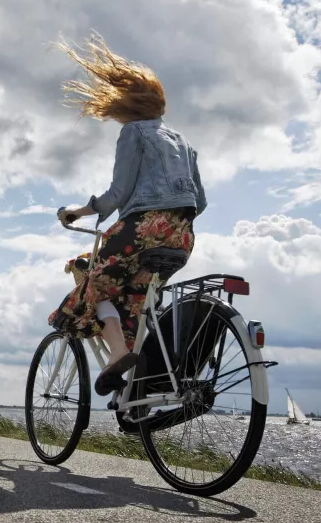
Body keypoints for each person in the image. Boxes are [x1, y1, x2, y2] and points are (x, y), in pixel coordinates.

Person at [47, 33, 206, 396]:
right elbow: (202, 201)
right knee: (133, 300)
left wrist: (78, 212)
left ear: (125, 104)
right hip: (182, 236)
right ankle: (136, 391)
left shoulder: (133, 132)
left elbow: (117, 193)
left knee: (91, 275)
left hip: (142, 230)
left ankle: (119, 355)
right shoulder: (184, 142)